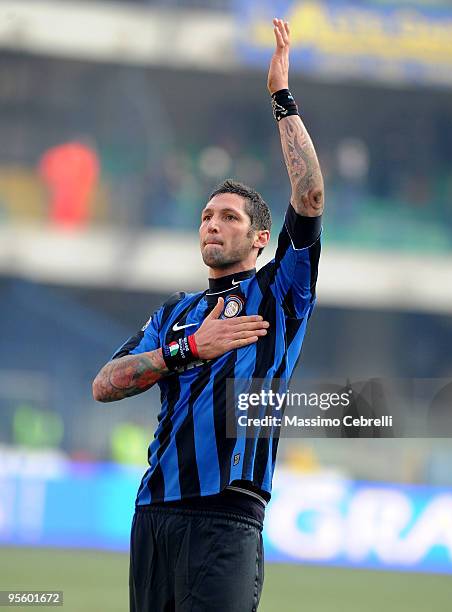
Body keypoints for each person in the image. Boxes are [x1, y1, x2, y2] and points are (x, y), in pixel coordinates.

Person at [93, 18, 324, 612]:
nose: (212, 224)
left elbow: (311, 196)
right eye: (205, 216)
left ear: (261, 237)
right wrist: (190, 347)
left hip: (228, 519)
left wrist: (281, 97)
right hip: (155, 514)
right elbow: (106, 384)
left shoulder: (281, 294)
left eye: (228, 217)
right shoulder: (174, 313)